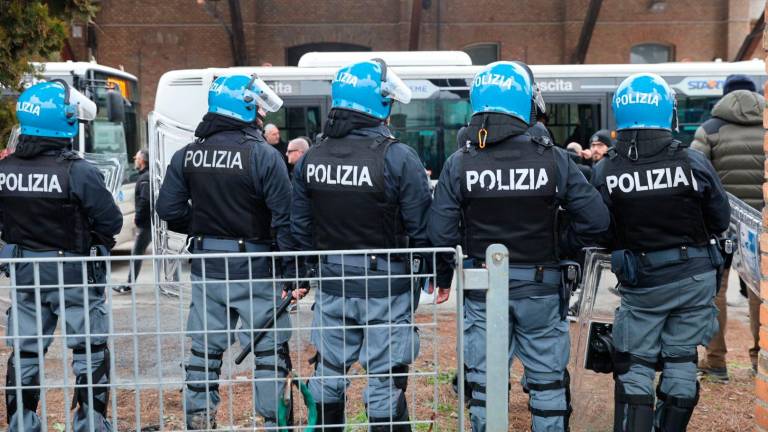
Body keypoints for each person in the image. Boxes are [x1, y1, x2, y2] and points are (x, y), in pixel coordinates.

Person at [428, 61, 610, 432]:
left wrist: (445, 276)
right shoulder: (554, 158)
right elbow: (597, 223)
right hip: (542, 287)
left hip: (482, 289)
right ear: (527, 103)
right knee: (546, 385)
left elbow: (440, 233)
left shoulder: (459, 162)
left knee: (485, 385)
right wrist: (560, 244)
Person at [156, 74, 303, 430]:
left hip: (208, 267)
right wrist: (291, 272)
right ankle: (272, 422)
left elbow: (169, 209)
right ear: (247, 107)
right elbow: (285, 219)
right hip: (257, 266)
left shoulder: (187, 155)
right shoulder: (264, 157)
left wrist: (204, 227)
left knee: (204, 353)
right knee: (268, 352)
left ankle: (199, 419)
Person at [291, 58, 431, 431]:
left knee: (329, 375)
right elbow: (422, 228)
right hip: (388, 286)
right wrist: (433, 273)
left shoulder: (311, 158)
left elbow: (299, 228)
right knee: (385, 381)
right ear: (380, 104)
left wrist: (304, 273)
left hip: (333, 284)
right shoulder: (399, 156)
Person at [591, 73, 730, 431]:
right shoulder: (693, 161)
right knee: (682, 359)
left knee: (634, 364)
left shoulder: (606, 169)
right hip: (696, 275)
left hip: (643, 281)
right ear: (668, 112)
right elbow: (720, 218)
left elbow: (600, 230)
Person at [2, 80, 122, 432]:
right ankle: (90, 423)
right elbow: (111, 221)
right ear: (65, 121)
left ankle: (21, 423)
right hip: (75, 277)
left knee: (25, 352)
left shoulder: (4, 171)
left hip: (26, 276)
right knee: (90, 351)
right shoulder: (79, 171)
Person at [692, 74, 764, 382]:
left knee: (716, 291)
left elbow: (695, 177)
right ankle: (759, 358)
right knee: (761, 293)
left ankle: (717, 362)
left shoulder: (710, 129)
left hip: (721, 224)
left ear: (723, 96)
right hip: (763, 223)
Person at [114, 149, 151, 294]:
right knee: (139, 252)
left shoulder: (145, 178)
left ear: (142, 160)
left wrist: (138, 218)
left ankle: (128, 285)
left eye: (136, 158)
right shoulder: (145, 176)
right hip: (147, 223)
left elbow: (145, 200)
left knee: (137, 253)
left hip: (146, 224)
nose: (134, 160)